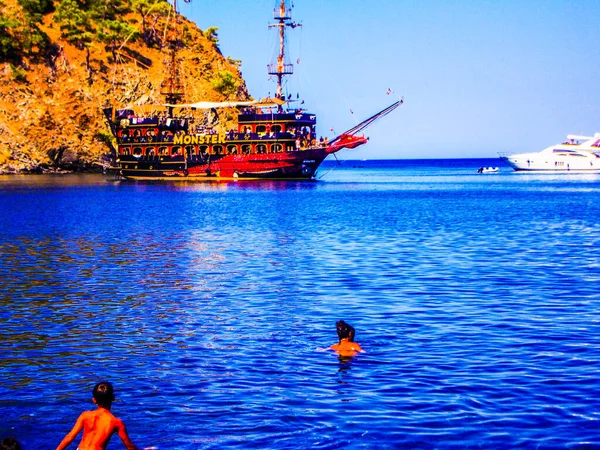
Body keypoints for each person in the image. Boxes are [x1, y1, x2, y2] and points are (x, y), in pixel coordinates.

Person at [56, 381, 137, 450]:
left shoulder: (85, 415)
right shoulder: (116, 422)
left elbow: (69, 437)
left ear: (94, 400)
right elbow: (129, 447)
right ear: (113, 398)